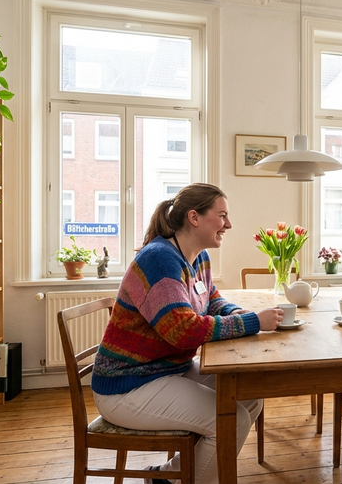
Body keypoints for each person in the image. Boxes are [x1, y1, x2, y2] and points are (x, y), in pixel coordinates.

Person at [90, 183, 283, 484]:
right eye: (222, 216)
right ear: (194, 217)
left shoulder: (198, 257)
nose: (228, 225)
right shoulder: (159, 259)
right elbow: (182, 330)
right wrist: (252, 322)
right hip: (128, 385)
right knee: (231, 421)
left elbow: (212, 300)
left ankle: (166, 478)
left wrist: (238, 313)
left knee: (250, 396)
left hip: (167, 370)